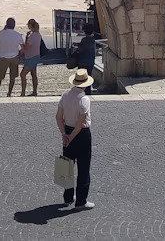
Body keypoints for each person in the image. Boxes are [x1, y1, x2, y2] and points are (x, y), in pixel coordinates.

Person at [56, 68, 95, 210]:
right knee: (84, 168)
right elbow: (82, 121)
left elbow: (58, 117)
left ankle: (67, 197)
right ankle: (81, 201)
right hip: (82, 135)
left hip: (67, 131)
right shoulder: (84, 99)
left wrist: (64, 135)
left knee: (67, 166)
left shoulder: (65, 95)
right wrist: (72, 137)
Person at [0, 17, 23, 97]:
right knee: (12, 76)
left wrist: (4, 29)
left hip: (4, 57)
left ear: (6, 24)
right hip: (14, 57)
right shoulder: (18, 35)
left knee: (0, 76)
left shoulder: (2, 33)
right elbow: (22, 46)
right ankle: (9, 93)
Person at [19, 18, 42, 97]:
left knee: (22, 74)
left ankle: (23, 93)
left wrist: (26, 39)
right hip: (35, 56)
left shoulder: (32, 36)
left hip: (31, 57)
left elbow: (27, 47)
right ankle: (34, 91)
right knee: (33, 74)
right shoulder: (38, 34)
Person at [75, 21, 98, 94]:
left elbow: (81, 50)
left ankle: (81, 91)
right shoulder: (93, 40)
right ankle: (88, 91)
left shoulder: (84, 40)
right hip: (90, 61)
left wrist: (76, 48)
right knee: (89, 76)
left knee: (81, 77)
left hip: (82, 61)